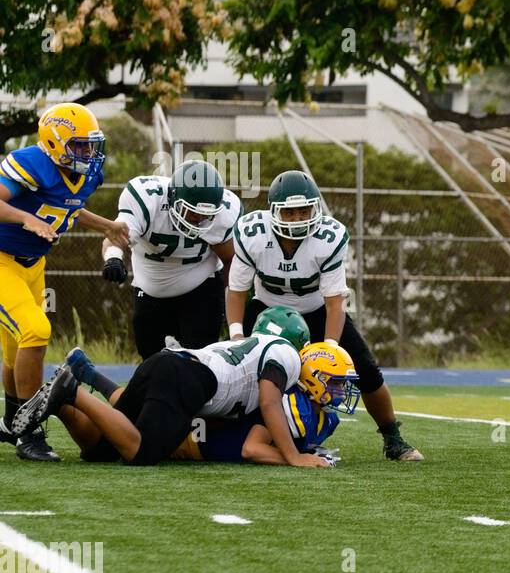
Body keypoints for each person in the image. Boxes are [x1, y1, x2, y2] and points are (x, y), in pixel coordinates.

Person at [227, 169, 422, 462]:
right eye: (290, 213)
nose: (298, 219)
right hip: (267, 312)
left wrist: (330, 348)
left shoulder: (328, 238)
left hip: (315, 310)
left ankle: (393, 437)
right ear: (274, 212)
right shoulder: (252, 234)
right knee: (241, 373)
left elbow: (335, 302)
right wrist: (236, 334)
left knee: (364, 370)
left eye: (304, 211)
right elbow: (237, 290)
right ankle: (232, 434)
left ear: (315, 208)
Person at [12, 306, 331, 469]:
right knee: (140, 453)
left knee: (99, 450)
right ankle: (71, 390)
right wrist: (294, 457)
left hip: (169, 363)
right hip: (190, 378)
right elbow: (270, 401)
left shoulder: (252, 343)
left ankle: (64, 403)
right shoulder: (287, 353)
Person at [0, 103, 127, 460]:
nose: (88, 153)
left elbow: (68, 205)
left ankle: (12, 420)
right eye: (80, 145)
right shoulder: (32, 163)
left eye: (90, 145)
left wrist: (107, 226)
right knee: (36, 331)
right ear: (54, 143)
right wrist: (27, 220)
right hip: (2, 262)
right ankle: (29, 432)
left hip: (32, 265)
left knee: (15, 351)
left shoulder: (82, 175)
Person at [103, 159, 240, 357]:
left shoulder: (225, 212)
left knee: (198, 362)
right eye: (193, 210)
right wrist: (113, 257)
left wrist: (230, 305)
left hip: (201, 286)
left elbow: (230, 260)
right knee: (151, 360)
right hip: (150, 289)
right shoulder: (148, 200)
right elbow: (115, 236)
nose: (199, 218)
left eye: (206, 214)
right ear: (172, 198)